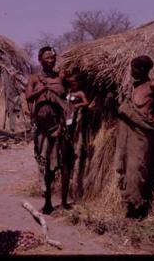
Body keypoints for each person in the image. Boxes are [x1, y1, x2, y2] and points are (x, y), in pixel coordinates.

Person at [115, 55, 154, 219]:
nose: (131, 71)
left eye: (134, 68)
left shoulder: (152, 86)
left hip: (143, 133)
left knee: (137, 170)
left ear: (143, 70)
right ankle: (130, 210)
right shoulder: (134, 87)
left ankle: (138, 210)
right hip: (129, 133)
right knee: (127, 170)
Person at [25, 46, 72, 214]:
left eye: (53, 57)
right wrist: (43, 89)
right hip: (43, 129)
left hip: (60, 127)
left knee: (65, 162)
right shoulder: (34, 78)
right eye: (47, 57)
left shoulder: (61, 77)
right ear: (40, 59)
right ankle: (48, 202)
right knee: (46, 166)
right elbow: (28, 96)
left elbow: (70, 92)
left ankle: (65, 202)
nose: (51, 60)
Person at [64, 70, 92, 200]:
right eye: (70, 83)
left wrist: (78, 105)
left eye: (74, 83)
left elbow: (87, 102)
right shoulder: (67, 92)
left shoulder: (79, 93)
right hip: (67, 120)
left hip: (76, 120)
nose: (72, 85)